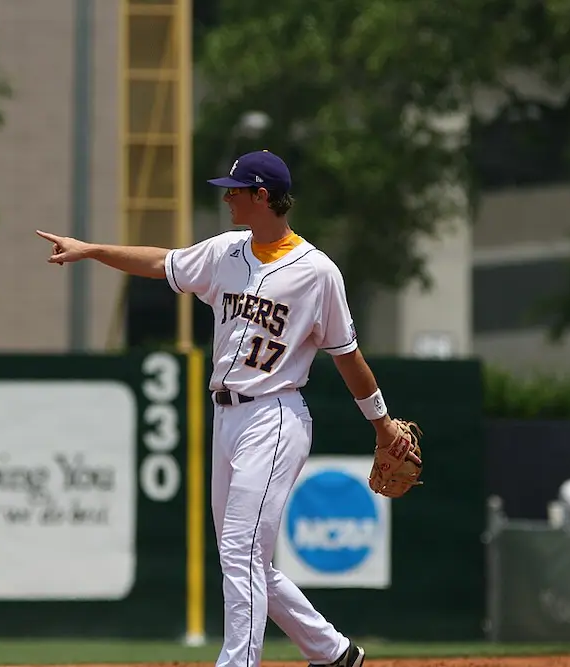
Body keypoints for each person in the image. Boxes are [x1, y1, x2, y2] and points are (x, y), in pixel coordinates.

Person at [35, 150, 420, 667]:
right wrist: (91, 250)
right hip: (226, 416)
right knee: (247, 557)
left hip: (275, 415)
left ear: (262, 196)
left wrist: (382, 425)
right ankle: (333, 653)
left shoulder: (318, 273)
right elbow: (159, 261)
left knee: (240, 551)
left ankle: (237, 662)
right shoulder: (225, 252)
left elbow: (347, 356)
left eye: (235, 190)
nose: (226, 198)